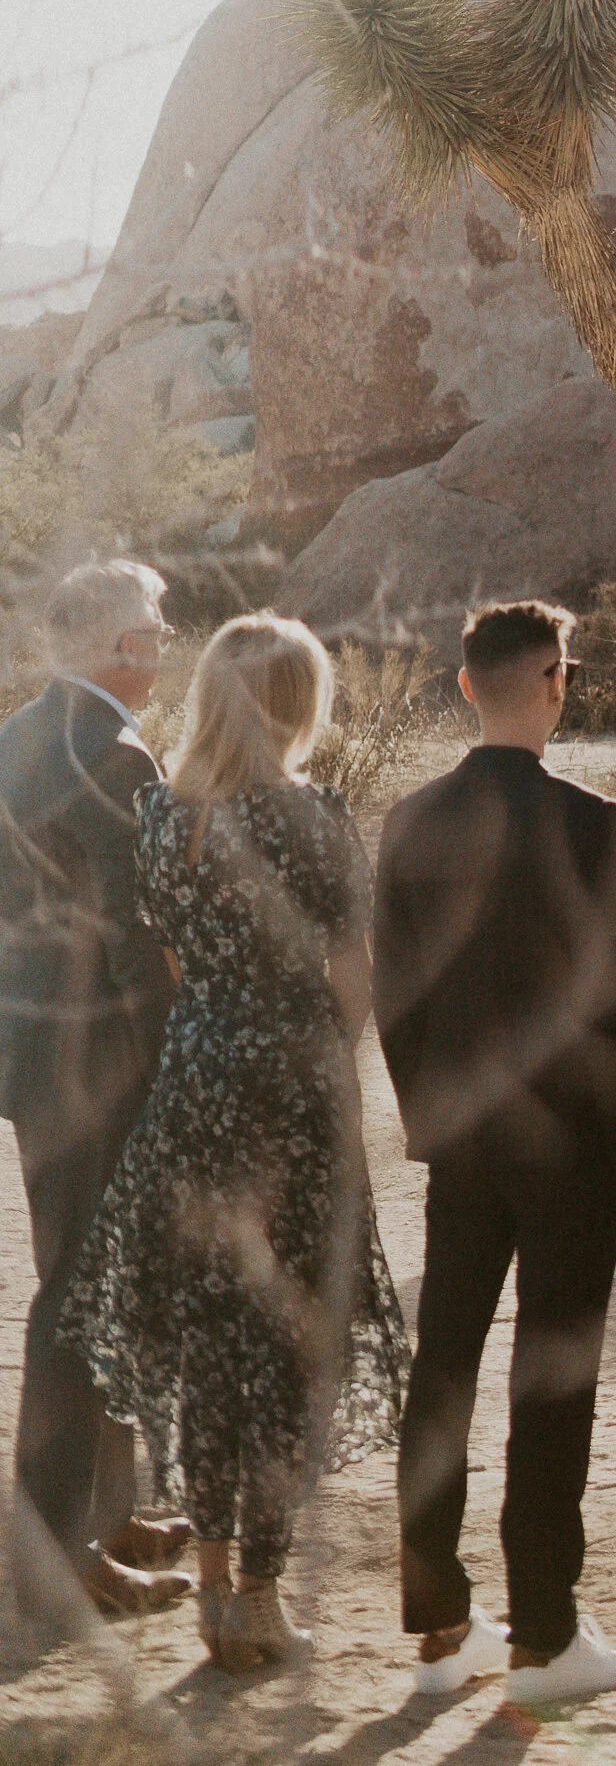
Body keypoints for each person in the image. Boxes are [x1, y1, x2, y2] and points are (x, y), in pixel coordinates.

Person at [58, 613, 407, 1672]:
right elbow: (355, 973)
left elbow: (171, 958)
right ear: (298, 705)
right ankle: (257, 1595)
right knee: (292, 1341)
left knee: (211, 1342)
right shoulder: (313, 816)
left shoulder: (166, 818)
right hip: (294, 1093)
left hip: (197, 1084)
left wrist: (220, 1029)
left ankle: (212, 1591)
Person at [373, 599, 616, 1711]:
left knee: (443, 1362)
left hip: (463, 1134)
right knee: (552, 1375)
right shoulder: (590, 821)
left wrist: (430, 1110)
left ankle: (441, 1631)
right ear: (552, 680)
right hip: (571, 1143)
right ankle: (543, 1629)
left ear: (463, 686)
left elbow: (397, 998)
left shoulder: (408, 819)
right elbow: (613, 999)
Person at [0, 559, 192, 1620]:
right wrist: (177, 1072)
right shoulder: (115, 753)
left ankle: (106, 1515)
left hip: (35, 1063)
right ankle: (55, 1551)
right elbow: (138, 940)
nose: (163, 643)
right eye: (157, 629)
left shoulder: (17, 736)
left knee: (90, 1290)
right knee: (80, 1301)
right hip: (106, 1068)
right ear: (122, 645)